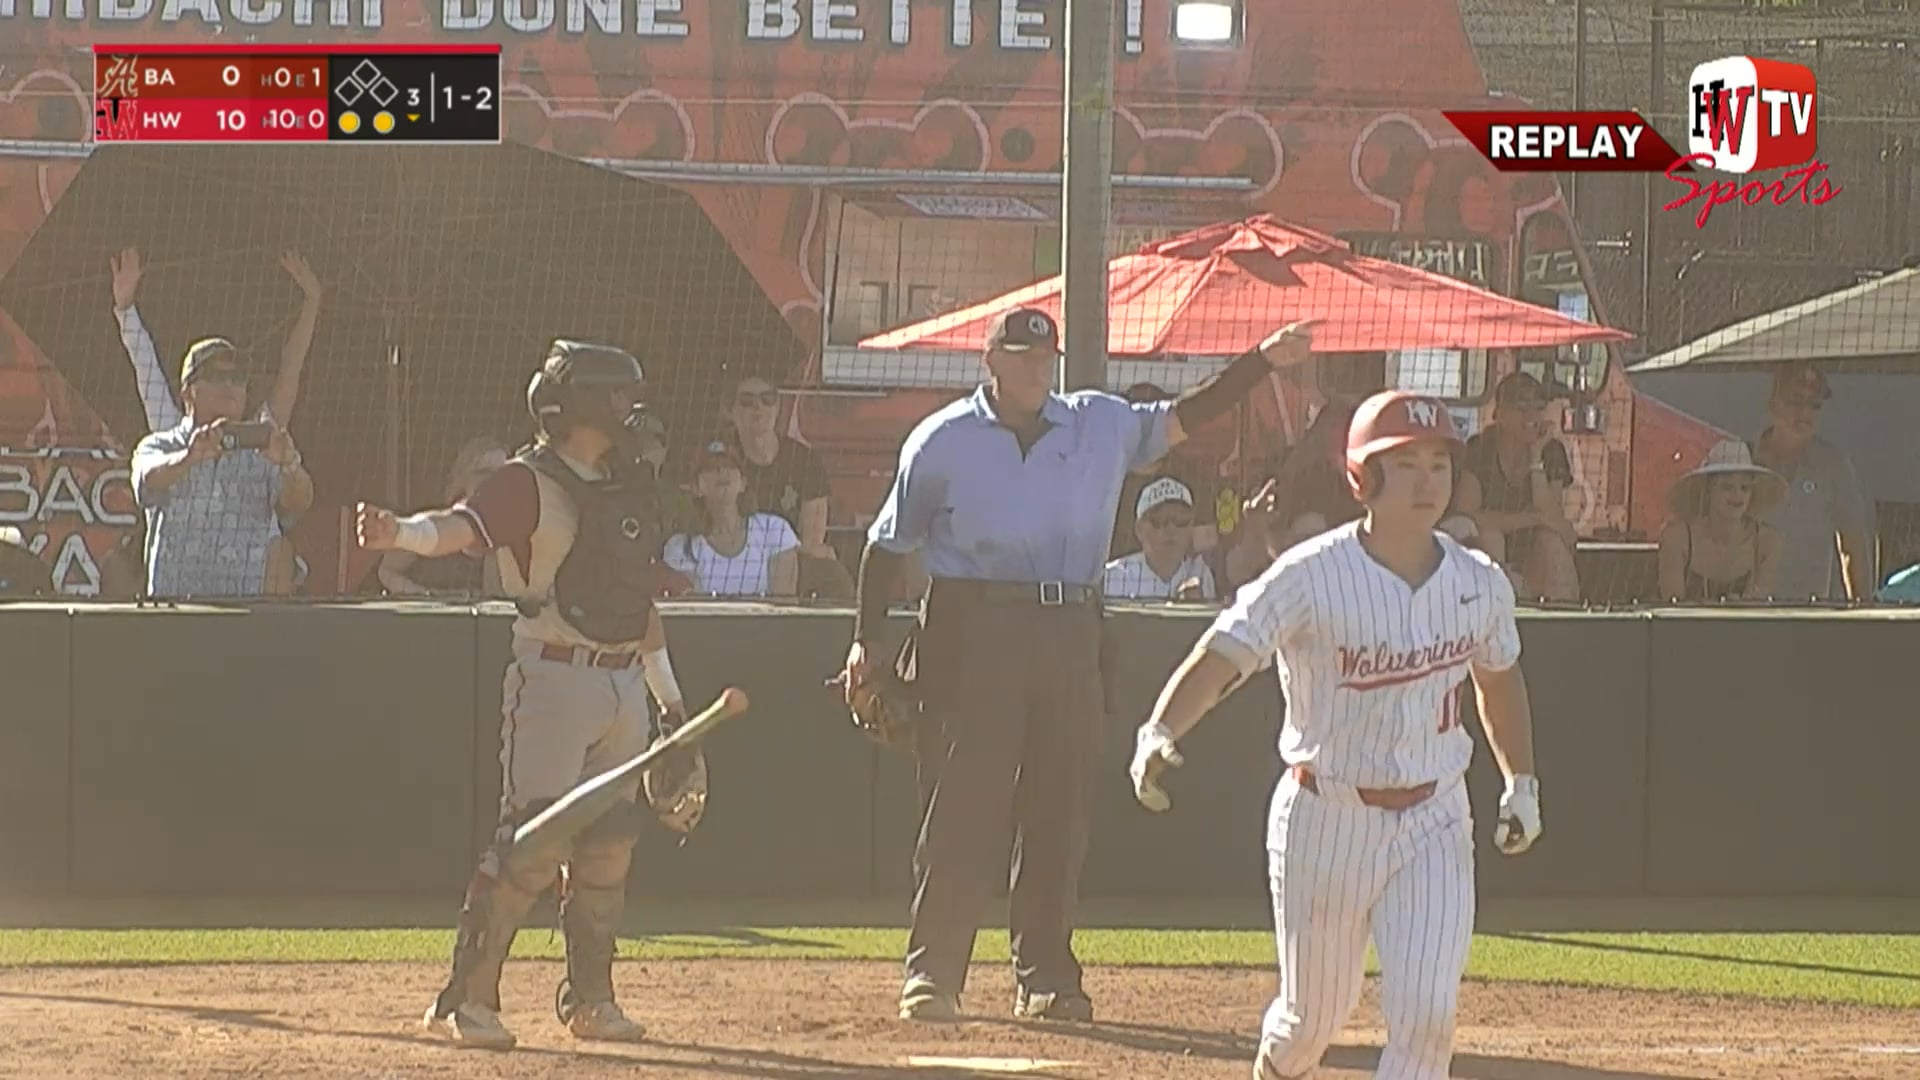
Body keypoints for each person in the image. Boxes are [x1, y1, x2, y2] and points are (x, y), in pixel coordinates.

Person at [840, 306, 1318, 1024]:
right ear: (990, 360)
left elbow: (1189, 414)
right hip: (972, 626)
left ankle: (1046, 978)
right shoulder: (941, 440)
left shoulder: (1098, 421)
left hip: (1069, 625)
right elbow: (887, 548)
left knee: (1057, 811)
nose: (1036, 367)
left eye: (1045, 356)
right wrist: (865, 642)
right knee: (962, 807)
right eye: (1021, 355)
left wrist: (1261, 362)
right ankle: (933, 975)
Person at [1128, 389, 1543, 1079]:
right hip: (1326, 816)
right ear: (1362, 477)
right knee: (1311, 1019)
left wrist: (1521, 782)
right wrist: (1160, 728)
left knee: (1428, 1013)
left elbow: (1497, 678)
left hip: (1436, 816)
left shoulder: (1479, 581)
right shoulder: (1311, 575)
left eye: (1438, 463)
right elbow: (1228, 650)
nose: (1426, 480)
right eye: (1403, 463)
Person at [355, 339, 707, 1050]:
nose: (627, 411)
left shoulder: (626, 485)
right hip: (552, 676)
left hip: (620, 683)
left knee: (609, 849)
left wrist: (671, 706)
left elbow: (637, 604)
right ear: (576, 404)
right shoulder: (526, 481)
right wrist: (402, 535)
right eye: (614, 398)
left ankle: (591, 1000)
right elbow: (458, 529)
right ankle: (469, 999)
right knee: (531, 844)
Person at [130, 339, 315, 598]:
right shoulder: (161, 445)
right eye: (216, 375)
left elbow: (300, 503)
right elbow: (147, 480)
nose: (230, 385)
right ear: (188, 391)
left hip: (242, 618)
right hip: (175, 616)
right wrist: (189, 458)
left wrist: (289, 464)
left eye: (238, 378)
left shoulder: (261, 451)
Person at [1747, 361, 1876, 602]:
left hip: (1814, 615)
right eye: (1795, 402)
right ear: (1773, 404)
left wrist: (1863, 609)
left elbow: (1853, 543)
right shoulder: (1745, 462)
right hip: (1753, 613)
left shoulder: (1834, 466)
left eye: (1814, 405)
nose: (1805, 414)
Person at [718, 373, 854, 598]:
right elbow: (717, 530)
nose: (758, 407)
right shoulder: (720, 462)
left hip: (795, 560)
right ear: (730, 411)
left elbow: (811, 540)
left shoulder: (805, 460)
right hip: (733, 560)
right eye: (747, 401)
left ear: (778, 406)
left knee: (833, 575)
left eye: (767, 399)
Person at [1455, 372, 1581, 601]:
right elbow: (1468, 516)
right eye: (1522, 406)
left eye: (1538, 406)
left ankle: (1565, 621)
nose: (1531, 415)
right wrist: (1534, 519)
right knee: (1491, 537)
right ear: (1499, 414)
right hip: (1486, 552)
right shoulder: (1479, 449)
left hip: (1532, 554)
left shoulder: (1552, 451)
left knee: (1552, 541)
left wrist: (1535, 457)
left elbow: (1550, 513)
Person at [663, 439, 801, 598]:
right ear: (696, 488)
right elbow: (694, 612)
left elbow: (784, 607)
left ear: (743, 483)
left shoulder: (775, 530)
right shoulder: (681, 548)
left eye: (730, 466)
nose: (722, 471)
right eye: (711, 468)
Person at [377, 435, 510, 597]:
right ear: (463, 477)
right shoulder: (432, 523)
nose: (492, 482)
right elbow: (386, 571)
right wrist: (420, 595)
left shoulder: (507, 533)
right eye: (483, 473)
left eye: (501, 475)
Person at [1656, 439, 1785, 602]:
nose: (1738, 496)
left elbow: (1758, 612)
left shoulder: (1767, 542)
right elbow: (1670, 613)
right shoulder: (1677, 538)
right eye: (1727, 487)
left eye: (1745, 488)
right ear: (1709, 490)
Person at [1102, 477, 1216, 601]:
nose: (1171, 529)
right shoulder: (1111, 576)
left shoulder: (1201, 573)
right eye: (1160, 520)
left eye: (1181, 520)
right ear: (1139, 529)